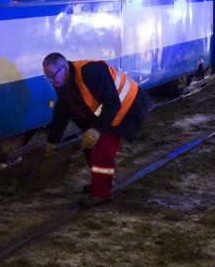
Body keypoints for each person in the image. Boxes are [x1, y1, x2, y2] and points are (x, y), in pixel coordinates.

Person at [42, 52, 151, 208]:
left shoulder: (91, 71)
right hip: (109, 111)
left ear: (64, 69)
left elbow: (113, 103)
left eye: (52, 75)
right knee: (88, 145)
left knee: (101, 147)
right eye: (47, 77)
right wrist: (52, 140)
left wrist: (96, 130)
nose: (51, 80)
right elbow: (62, 111)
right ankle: (101, 182)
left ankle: (102, 194)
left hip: (127, 107)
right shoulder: (63, 84)